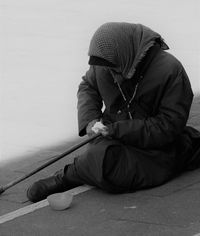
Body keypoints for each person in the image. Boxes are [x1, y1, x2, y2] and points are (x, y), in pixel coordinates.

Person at [27, 22, 200, 203]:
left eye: (114, 68)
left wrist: (117, 130)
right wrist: (90, 121)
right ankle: (75, 173)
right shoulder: (105, 63)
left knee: (113, 166)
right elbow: (88, 87)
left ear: (125, 56)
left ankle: (68, 176)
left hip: (155, 146)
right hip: (114, 139)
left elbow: (167, 127)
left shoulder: (170, 70)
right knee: (104, 157)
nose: (110, 73)